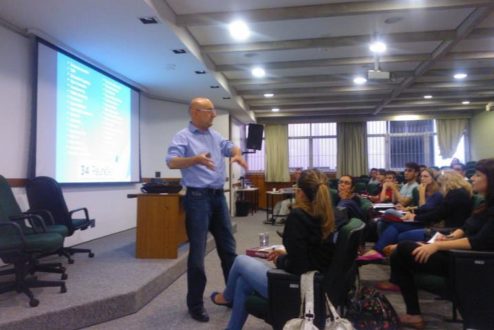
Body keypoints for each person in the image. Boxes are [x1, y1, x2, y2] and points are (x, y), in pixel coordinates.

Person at [210, 169, 339, 330]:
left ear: (299, 193)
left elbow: (298, 267)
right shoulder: (328, 215)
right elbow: (314, 252)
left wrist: (280, 260)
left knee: (240, 260)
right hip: (319, 283)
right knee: (243, 283)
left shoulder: (298, 216)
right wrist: (287, 253)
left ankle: (227, 298)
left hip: (297, 288)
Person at [166, 97, 248, 322]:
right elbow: (171, 162)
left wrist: (238, 154)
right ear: (195, 112)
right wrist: (195, 160)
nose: (213, 114)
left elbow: (230, 147)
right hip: (197, 199)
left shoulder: (215, 136)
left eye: (213, 111)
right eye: (209, 111)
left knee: (228, 250)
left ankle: (231, 295)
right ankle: (195, 304)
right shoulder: (183, 136)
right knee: (198, 254)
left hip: (218, 198)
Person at [389, 158, 494, 329]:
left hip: (472, 264)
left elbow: (479, 242)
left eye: (478, 175)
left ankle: (413, 313)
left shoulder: (465, 197)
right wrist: (449, 239)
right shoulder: (485, 203)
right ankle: (413, 313)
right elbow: (467, 227)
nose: (472, 178)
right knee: (402, 251)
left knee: (403, 249)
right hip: (462, 256)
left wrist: (437, 246)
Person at [358, 168, 444, 261]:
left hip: (427, 223)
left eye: (426, 176)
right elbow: (416, 207)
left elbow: (424, 209)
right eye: (422, 176)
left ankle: (378, 251)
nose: (422, 178)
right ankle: (381, 251)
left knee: (390, 216)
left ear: (433, 179)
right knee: (384, 222)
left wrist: (420, 195)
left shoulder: (436, 194)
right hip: (417, 217)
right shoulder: (424, 190)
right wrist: (410, 209)